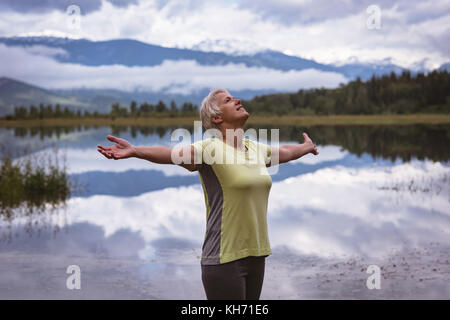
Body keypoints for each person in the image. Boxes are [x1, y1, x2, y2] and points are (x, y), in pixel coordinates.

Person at [97, 89, 319, 300]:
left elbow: (287, 152)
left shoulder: (255, 149)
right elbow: (171, 153)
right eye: (228, 100)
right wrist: (136, 151)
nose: (237, 100)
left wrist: (307, 147)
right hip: (224, 259)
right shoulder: (209, 149)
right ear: (216, 118)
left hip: (257, 254)